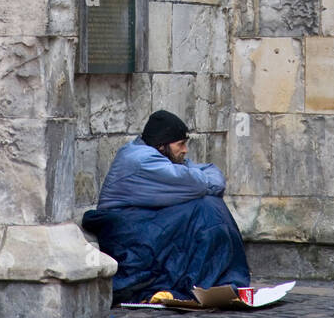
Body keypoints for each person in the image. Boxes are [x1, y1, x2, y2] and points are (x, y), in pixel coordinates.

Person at [82, 110, 251, 303]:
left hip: (146, 226)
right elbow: (198, 183)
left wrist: (200, 180)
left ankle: (214, 282)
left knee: (207, 206)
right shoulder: (142, 160)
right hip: (128, 238)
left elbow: (212, 173)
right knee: (206, 209)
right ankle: (201, 284)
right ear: (162, 145)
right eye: (181, 144)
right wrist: (200, 182)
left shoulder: (156, 155)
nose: (185, 150)